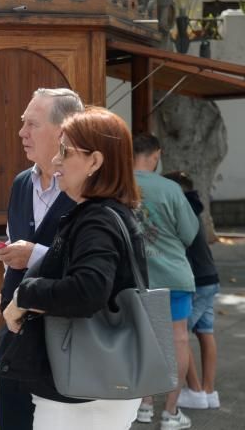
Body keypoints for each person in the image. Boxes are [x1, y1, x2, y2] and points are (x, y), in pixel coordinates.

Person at [0, 106, 147, 429]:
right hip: (92, 383)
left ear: (95, 162)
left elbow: (87, 290)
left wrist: (24, 294)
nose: (55, 161)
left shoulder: (96, 220)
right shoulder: (105, 214)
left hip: (83, 389)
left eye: (65, 151)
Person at [0, 87, 84, 430]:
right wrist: (6, 281)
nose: (21, 133)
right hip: (15, 340)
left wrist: (35, 255)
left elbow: (90, 267)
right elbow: (12, 242)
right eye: (22, 123)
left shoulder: (86, 189)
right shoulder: (21, 183)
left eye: (31, 124)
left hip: (64, 343)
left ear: (62, 131)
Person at [133, 134, 198, 430]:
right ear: (156, 155)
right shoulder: (170, 188)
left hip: (136, 278)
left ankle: (143, 404)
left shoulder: (118, 187)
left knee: (143, 339)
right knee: (178, 340)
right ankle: (170, 412)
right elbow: (189, 233)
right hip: (173, 275)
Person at [163, 171, 220, 411]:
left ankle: (195, 391)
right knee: (205, 332)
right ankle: (208, 391)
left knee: (180, 335)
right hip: (210, 278)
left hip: (195, 280)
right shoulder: (195, 207)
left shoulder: (180, 210)